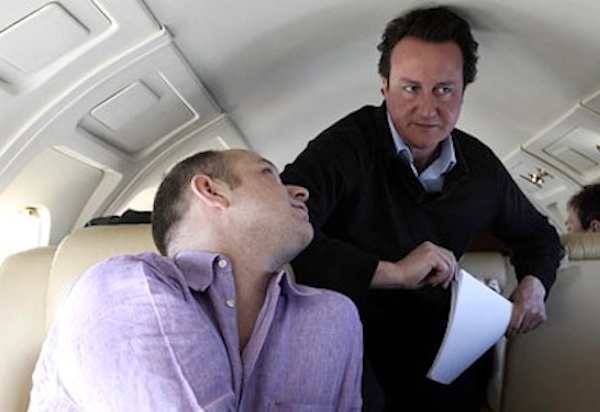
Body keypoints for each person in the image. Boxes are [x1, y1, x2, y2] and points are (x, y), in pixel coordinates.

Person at [281, 5, 561, 412]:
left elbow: (539, 235)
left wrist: (534, 285)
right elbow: (282, 229)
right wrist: (391, 273)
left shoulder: (480, 167)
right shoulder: (346, 146)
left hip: (445, 360)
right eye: (411, 88)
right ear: (384, 86)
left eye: (444, 90)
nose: (428, 109)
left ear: (463, 91)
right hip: (351, 354)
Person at [29, 149, 363, 411]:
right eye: (269, 174)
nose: (301, 191)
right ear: (211, 190)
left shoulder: (334, 317)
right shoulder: (121, 288)